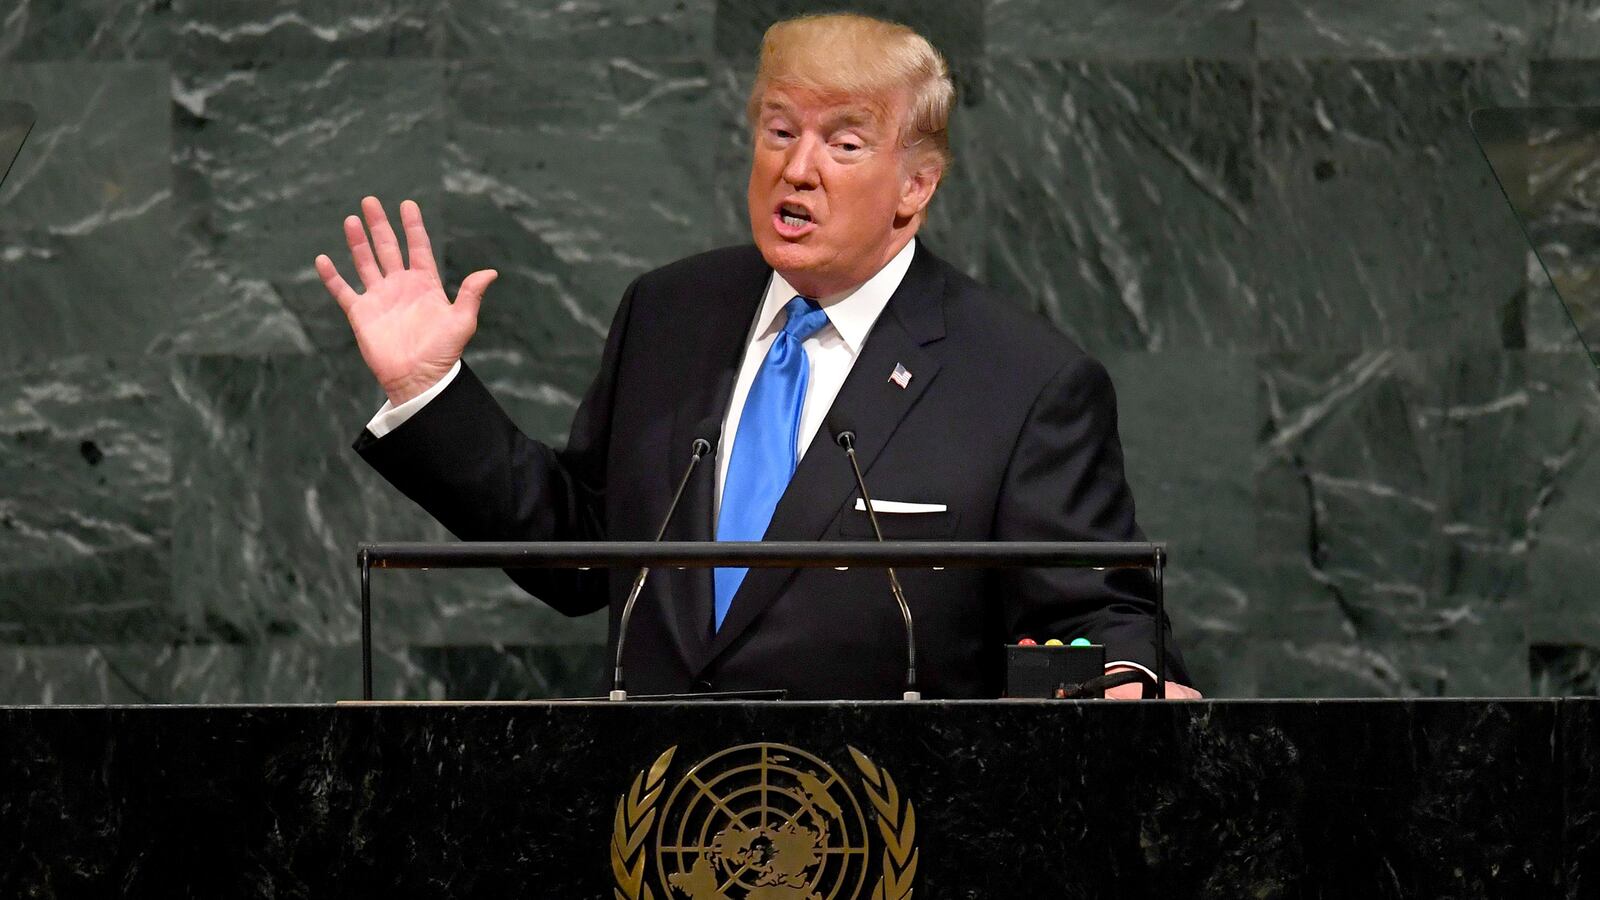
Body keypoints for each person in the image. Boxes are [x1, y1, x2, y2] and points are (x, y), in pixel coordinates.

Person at [315, 13, 1199, 700]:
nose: (798, 168)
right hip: (656, 829)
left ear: (916, 185)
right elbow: (584, 554)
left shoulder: (1022, 380)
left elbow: (1101, 611)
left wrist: (1128, 679)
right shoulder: (670, 313)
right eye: (780, 131)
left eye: (844, 143)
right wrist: (431, 391)